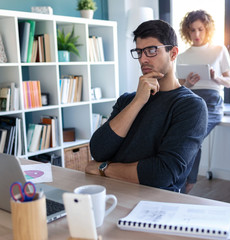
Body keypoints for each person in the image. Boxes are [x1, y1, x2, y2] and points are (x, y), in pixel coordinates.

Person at [85, 20, 208, 193]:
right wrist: (138, 101)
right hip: (110, 192)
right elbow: (98, 150)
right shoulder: (127, 100)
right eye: (139, 52)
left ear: (173, 54)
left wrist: (103, 168)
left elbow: (162, 173)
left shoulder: (191, 106)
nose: (143, 59)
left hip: (154, 203)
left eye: (151, 50)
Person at [176, 10, 230, 193]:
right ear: (187, 32)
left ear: (207, 29)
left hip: (212, 102)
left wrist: (216, 78)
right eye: (192, 30)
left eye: (200, 29)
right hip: (191, 100)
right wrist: (189, 84)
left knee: (193, 135)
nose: (197, 34)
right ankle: (179, 181)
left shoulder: (219, 50)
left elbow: (229, 82)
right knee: (180, 134)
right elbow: (180, 86)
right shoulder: (183, 56)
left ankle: (188, 183)